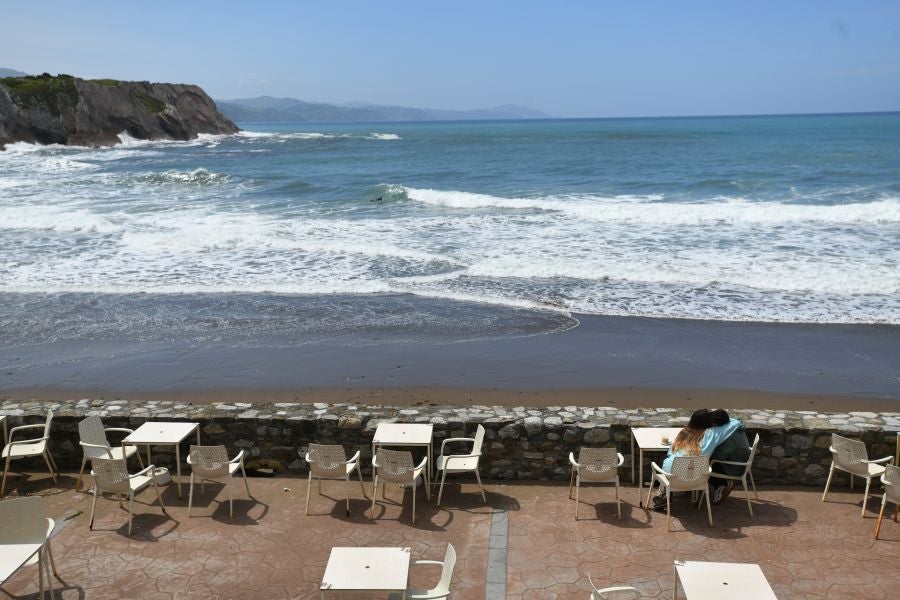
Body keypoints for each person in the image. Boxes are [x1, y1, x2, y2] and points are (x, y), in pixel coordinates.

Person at [651, 408, 743, 511]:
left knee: (665, 463)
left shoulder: (683, 433)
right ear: (708, 423)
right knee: (705, 462)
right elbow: (736, 422)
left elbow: (670, 452)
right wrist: (716, 416)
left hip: (673, 475)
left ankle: (664, 494)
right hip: (697, 478)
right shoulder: (711, 435)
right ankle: (718, 485)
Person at [707, 409, 751, 504]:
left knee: (707, 464)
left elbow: (721, 456)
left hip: (735, 467)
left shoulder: (729, 436)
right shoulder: (734, 426)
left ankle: (722, 485)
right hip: (741, 460)